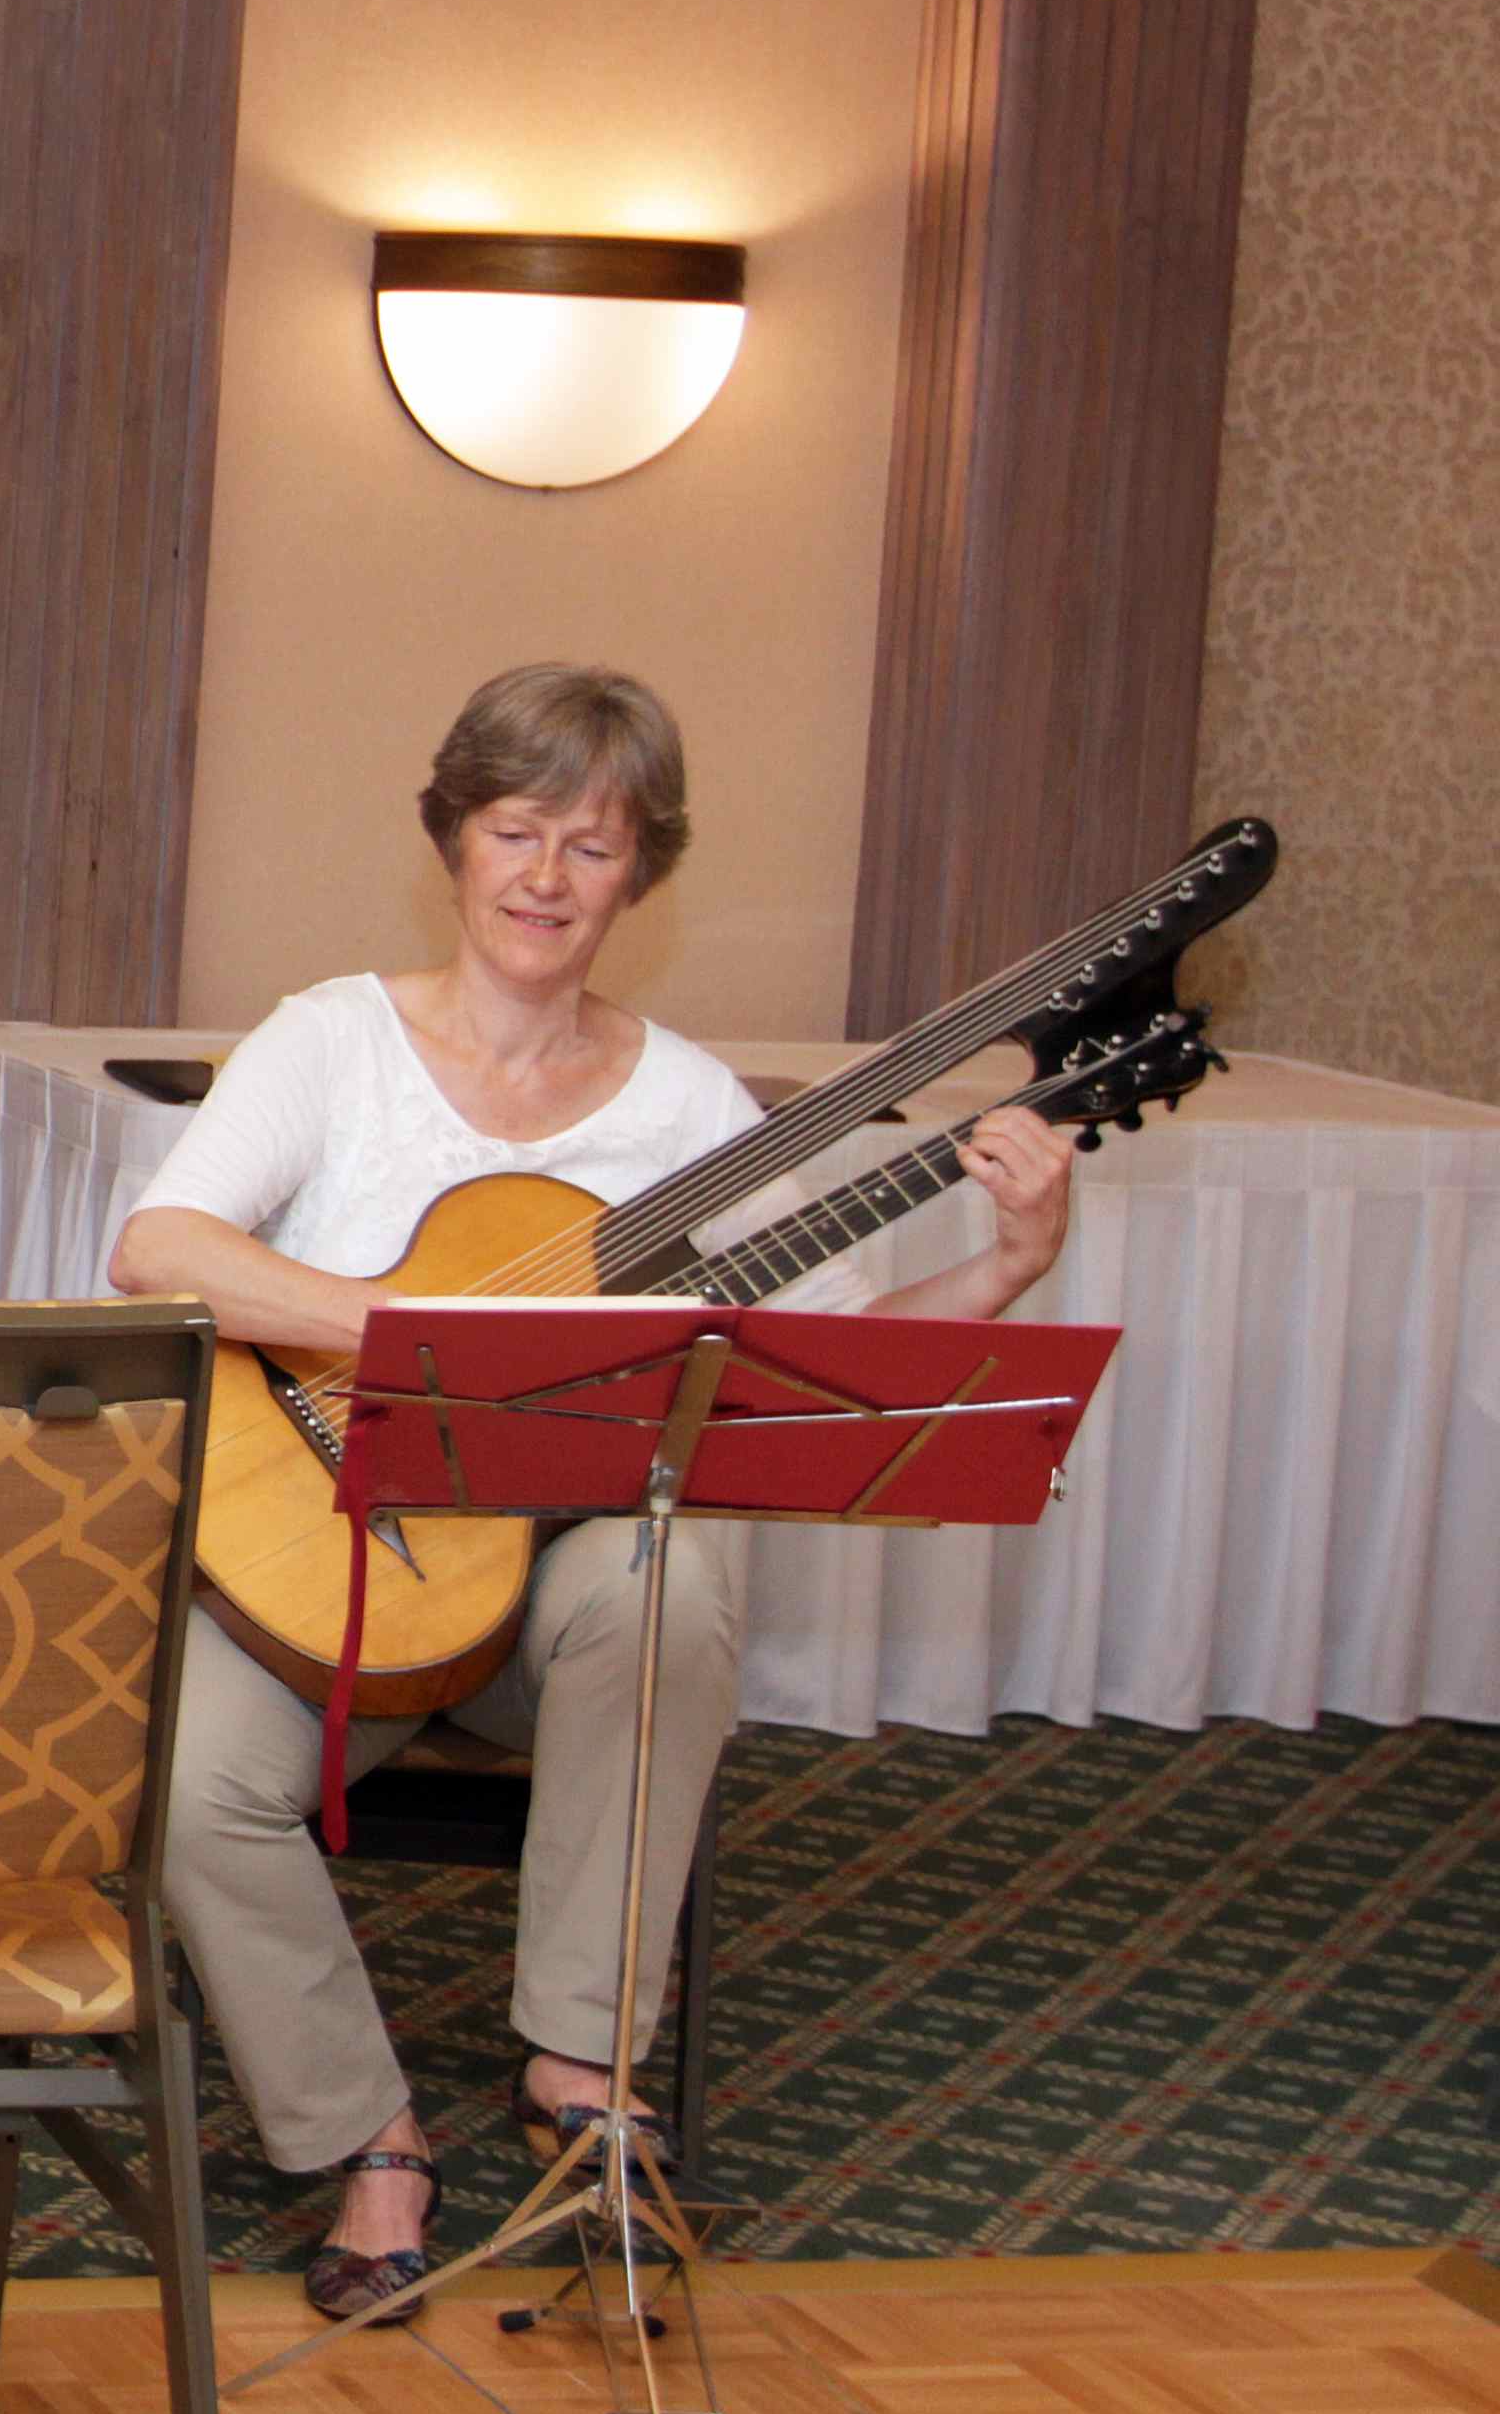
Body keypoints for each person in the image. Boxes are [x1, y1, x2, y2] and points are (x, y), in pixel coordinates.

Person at [110, 662, 1073, 2322]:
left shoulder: (690, 1106)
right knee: (186, 1781)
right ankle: (368, 2135)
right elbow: (160, 1252)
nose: (547, 878)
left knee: (666, 1573)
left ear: (644, 874)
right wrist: (428, 1348)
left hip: (554, 1609)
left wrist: (1006, 1266)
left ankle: (578, 2065)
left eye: (595, 846)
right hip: (334, 1573)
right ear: (454, 841)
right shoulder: (332, 1042)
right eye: (516, 830)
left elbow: (803, 1377)